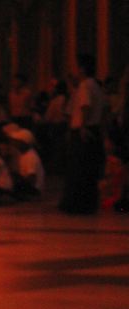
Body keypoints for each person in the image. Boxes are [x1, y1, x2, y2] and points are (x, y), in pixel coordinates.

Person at [59, 53, 105, 214]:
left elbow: (85, 106)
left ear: (83, 69)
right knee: (89, 170)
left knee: (78, 169)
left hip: (83, 131)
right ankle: (88, 203)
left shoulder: (85, 85)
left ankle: (76, 204)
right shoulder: (96, 85)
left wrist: (83, 127)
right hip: (94, 129)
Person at [6, 127, 45, 198]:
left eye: (16, 141)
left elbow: (31, 178)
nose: (14, 143)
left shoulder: (31, 156)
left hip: (33, 189)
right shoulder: (24, 154)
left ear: (23, 143)